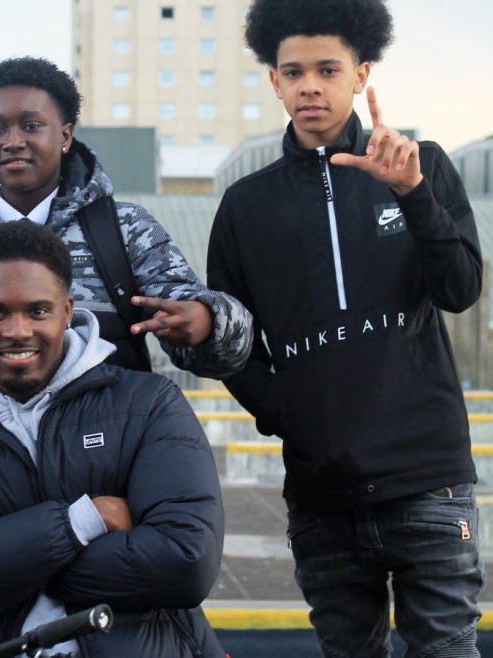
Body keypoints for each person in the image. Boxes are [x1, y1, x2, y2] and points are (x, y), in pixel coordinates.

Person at [207, 0, 485, 655]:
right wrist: (281, 407)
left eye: (327, 69)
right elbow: (229, 340)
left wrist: (414, 197)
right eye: (293, 71)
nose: (310, 85)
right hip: (321, 496)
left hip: (429, 483)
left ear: (361, 75)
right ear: (275, 81)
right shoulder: (246, 206)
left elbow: (460, 290)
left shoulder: (426, 166)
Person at [0, 219, 225, 657]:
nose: (17, 331)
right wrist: (82, 521)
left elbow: (186, 560)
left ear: (67, 311)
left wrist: (7, 565)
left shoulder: (149, 405)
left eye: (37, 311)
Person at [0, 56, 253, 462]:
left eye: (31, 126)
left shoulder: (125, 228)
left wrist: (208, 323)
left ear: (65, 136)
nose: (12, 141)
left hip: (111, 470)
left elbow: (223, 350)